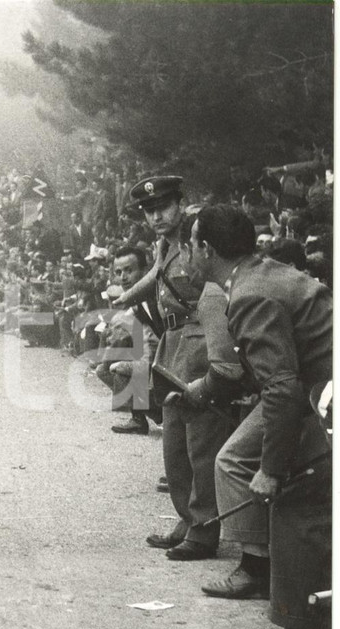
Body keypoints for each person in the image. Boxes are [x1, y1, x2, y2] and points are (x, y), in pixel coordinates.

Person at [187, 204, 331, 629]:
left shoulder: (249, 294)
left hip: (321, 395)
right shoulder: (265, 273)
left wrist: (271, 468)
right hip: (319, 388)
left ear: (207, 250)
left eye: (193, 245)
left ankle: (303, 625)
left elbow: (283, 388)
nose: (190, 254)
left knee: (295, 497)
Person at [114, 176, 237, 561]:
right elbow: (157, 276)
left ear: (180, 204)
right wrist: (126, 297)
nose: (156, 216)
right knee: (175, 442)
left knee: (201, 441)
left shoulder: (199, 235)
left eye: (164, 207)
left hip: (201, 338)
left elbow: (221, 284)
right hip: (171, 343)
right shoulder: (165, 244)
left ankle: (203, 531)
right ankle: (187, 519)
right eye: (149, 211)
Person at [94, 246, 161, 435]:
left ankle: (154, 412)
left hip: (166, 359)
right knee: (104, 369)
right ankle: (146, 413)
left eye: (129, 271)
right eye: (118, 272)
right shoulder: (134, 303)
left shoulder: (155, 298)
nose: (123, 277)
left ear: (145, 271)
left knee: (118, 369)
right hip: (151, 357)